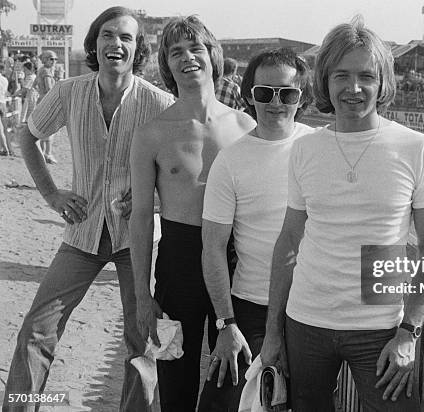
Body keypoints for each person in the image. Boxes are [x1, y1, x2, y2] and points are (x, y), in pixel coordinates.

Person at [260, 16, 424, 412]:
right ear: (325, 80)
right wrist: (273, 331)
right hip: (306, 321)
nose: (354, 88)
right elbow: (289, 242)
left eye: (366, 76)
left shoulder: (417, 148)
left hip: (380, 329)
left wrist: (410, 332)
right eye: (342, 75)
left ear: (383, 83)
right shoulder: (306, 149)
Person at [3, 7, 174, 412]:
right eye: (108, 35)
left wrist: (156, 199)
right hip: (81, 234)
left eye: (126, 38)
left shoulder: (159, 103)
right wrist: (52, 195)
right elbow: (27, 137)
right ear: (95, 44)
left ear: (138, 49)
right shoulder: (68, 92)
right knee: (36, 332)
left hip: (136, 240)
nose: (116, 44)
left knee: (141, 338)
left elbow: (185, 167)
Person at [130, 16, 255, 412]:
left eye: (195, 48)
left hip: (236, 261)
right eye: (176, 52)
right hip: (177, 266)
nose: (187, 58)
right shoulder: (151, 133)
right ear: (167, 65)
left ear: (212, 56)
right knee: (174, 377)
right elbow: (138, 217)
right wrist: (141, 294)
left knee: (232, 374)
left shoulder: (245, 127)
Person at [197, 48, 314, 411]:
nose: (275, 102)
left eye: (287, 93)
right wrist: (225, 324)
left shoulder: (320, 148)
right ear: (249, 95)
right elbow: (213, 247)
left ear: (302, 98)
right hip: (249, 309)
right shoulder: (230, 159)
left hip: (311, 309)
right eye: (265, 93)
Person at [36, 50, 58, 164]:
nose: (54, 61)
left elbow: (35, 85)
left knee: (43, 129)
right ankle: (47, 154)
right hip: (48, 102)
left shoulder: (41, 70)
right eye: (51, 59)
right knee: (50, 129)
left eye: (55, 59)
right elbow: (49, 89)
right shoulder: (46, 71)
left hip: (41, 101)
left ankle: (43, 153)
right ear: (45, 59)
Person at [0, 64, 13, 156]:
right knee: (4, 128)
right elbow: (6, 92)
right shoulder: (5, 80)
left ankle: (5, 149)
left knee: (1, 129)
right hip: (3, 103)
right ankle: (7, 148)